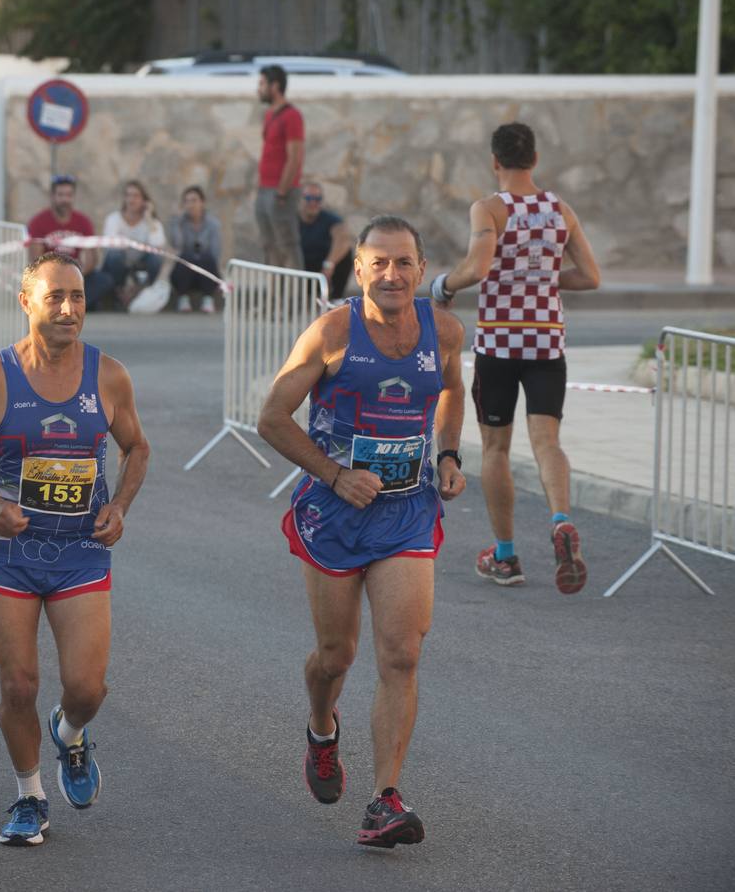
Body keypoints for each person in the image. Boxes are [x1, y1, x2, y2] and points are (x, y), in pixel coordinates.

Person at [257, 215, 467, 849]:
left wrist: (449, 455)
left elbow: (453, 391)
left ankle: (384, 799)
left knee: (401, 653)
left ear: (423, 270)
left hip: (406, 512)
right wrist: (334, 473)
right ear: (360, 270)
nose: (393, 274)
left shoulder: (446, 330)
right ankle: (322, 729)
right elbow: (271, 416)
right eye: (379, 263)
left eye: (404, 262)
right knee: (336, 656)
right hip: (335, 513)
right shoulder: (332, 333)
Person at [0, 251, 150, 847]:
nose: (68, 309)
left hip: (81, 548)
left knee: (86, 688)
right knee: (18, 686)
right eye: (54, 296)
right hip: (9, 552)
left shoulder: (108, 376)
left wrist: (119, 507)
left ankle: (72, 734)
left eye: (77, 297)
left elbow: (138, 448)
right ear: (26, 302)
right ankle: (30, 796)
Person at [428, 122, 601, 594]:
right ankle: (561, 520)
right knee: (548, 442)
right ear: (535, 159)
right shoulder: (560, 209)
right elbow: (590, 276)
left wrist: (443, 284)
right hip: (548, 343)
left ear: (494, 161)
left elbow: (478, 268)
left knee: (496, 449)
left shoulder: (489, 209)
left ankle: (505, 556)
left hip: (500, 345)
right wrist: (541, 278)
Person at [26, 176, 112, 311]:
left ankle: (67, 303)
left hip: (76, 274)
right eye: (60, 195)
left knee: (105, 280)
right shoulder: (38, 222)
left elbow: (92, 258)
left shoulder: (83, 221)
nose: (65, 200)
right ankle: (77, 303)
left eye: (69, 195)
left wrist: (77, 275)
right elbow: (35, 259)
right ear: (52, 196)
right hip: (50, 276)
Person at [254, 64, 305, 270]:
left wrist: (282, 192)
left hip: (281, 191)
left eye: (262, 84)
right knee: (270, 245)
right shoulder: (269, 114)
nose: (259, 88)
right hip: (264, 189)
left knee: (287, 244)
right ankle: (275, 297)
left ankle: (297, 297)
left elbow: (295, 157)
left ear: (275, 86)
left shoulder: (292, 116)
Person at [92, 180, 167, 310]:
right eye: (128, 195)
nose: (131, 200)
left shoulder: (152, 223)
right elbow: (110, 245)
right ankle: (120, 293)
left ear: (144, 201)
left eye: (136, 196)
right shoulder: (114, 219)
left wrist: (149, 219)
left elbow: (158, 246)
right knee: (115, 255)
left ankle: (139, 291)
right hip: (119, 265)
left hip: (140, 266)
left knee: (156, 258)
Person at [167, 185, 223, 313]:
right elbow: (177, 246)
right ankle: (183, 298)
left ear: (202, 203)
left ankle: (208, 298)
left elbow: (216, 252)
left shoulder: (213, 224)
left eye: (194, 200)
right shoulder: (179, 222)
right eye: (187, 201)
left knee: (207, 258)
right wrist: (177, 222)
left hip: (205, 271)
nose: (190, 205)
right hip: (185, 273)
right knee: (185, 257)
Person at [299, 181, 354, 298]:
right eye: (308, 198)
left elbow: (343, 238)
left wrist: (329, 264)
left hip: (324, 271)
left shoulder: (329, 219)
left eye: (317, 198)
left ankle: (336, 298)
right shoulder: (292, 221)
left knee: (346, 252)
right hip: (301, 270)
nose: (313, 202)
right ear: (301, 199)